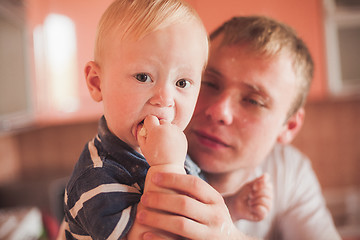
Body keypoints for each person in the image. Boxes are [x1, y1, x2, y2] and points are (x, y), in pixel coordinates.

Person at [135, 16, 342, 240]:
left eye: (254, 101)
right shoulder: (129, 155)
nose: (219, 111)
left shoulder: (288, 171)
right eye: (209, 83)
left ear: (290, 126)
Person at [61, 0, 209, 239]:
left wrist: (232, 205)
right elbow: (161, 234)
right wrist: (167, 168)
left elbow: (195, 219)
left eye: (182, 83)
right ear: (97, 83)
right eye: (143, 77)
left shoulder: (170, 148)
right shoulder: (97, 177)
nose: (164, 99)